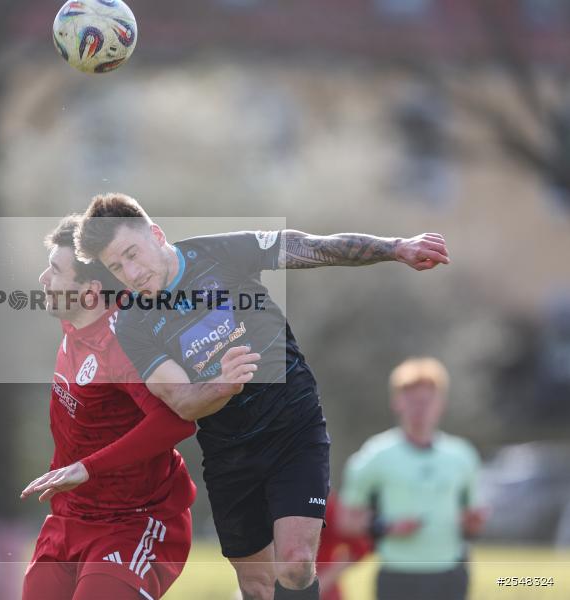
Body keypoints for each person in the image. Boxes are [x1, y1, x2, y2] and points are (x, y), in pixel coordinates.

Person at [74, 193, 450, 600]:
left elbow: (313, 247)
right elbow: (181, 402)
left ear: (156, 235)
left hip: (293, 427)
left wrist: (396, 247)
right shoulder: (132, 322)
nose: (131, 273)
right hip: (229, 453)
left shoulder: (220, 252)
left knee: (295, 564)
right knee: (257, 587)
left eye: (132, 254)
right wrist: (222, 384)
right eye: (117, 267)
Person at [20, 215, 215, 600]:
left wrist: (87, 467)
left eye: (55, 271)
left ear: (91, 292)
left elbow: (176, 421)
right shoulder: (76, 320)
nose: (44, 279)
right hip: (69, 518)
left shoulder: (122, 345)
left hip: (133, 523)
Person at [337, 357, 487, 600]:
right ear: (397, 402)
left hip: (450, 573)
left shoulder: (462, 455)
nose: (420, 408)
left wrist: (474, 521)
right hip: (398, 574)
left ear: (440, 404)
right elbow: (346, 520)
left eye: (426, 401)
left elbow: (471, 521)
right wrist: (386, 527)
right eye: (412, 400)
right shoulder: (375, 455)